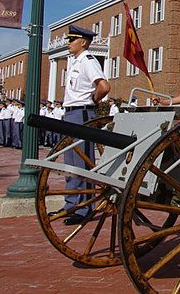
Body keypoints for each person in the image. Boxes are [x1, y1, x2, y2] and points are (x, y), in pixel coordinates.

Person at [60, 24, 111, 224]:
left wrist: (94, 100)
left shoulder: (88, 61)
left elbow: (104, 86)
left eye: (72, 40)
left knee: (81, 162)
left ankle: (84, 209)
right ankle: (71, 204)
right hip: (71, 112)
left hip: (82, 112)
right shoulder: (75, 62)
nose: (69, 43)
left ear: (83, 42)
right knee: (70, 162)